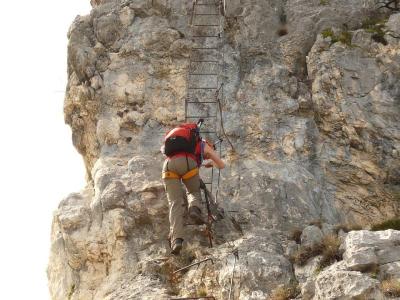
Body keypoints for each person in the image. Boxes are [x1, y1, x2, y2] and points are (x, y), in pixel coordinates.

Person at [161, 123, 225, 255]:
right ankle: (194, 209)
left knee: (174, 203)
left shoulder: (180, 142)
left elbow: (164, 151)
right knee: (194, 191)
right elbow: (221, 165)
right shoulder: (205, 145)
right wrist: (212, 161)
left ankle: (176, 240)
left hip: (169, 165)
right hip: (188, 164)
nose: (207, 157)